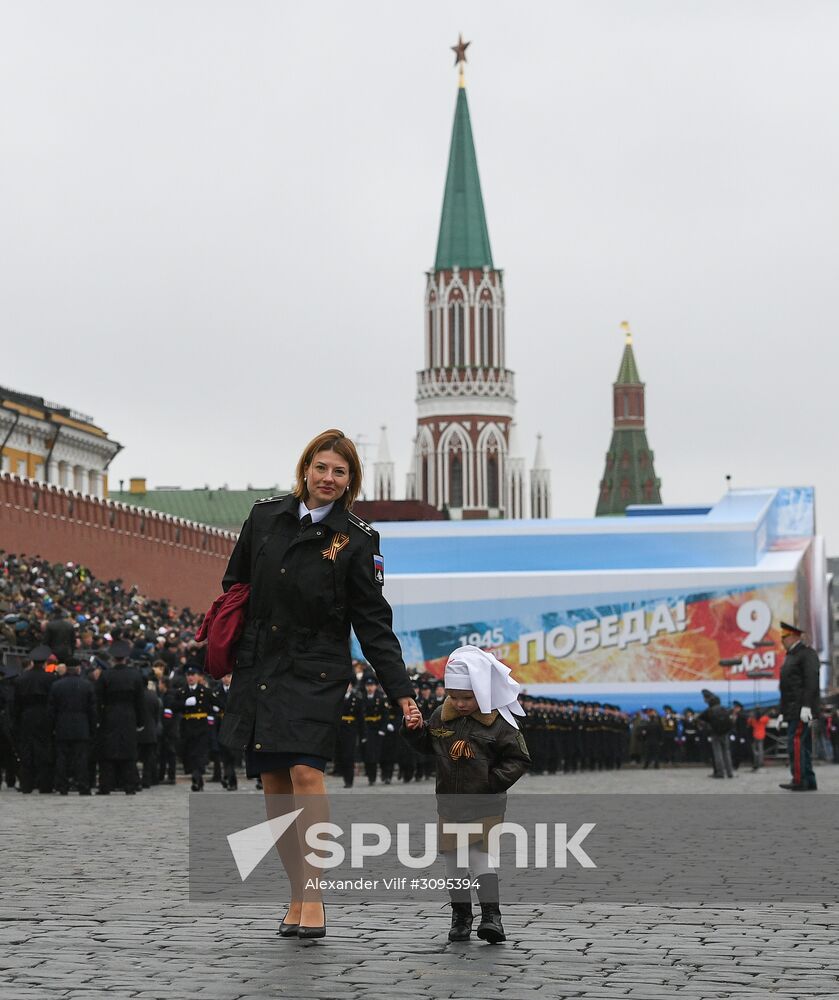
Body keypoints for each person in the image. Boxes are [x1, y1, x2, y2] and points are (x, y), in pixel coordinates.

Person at [218, 429, 420, 938]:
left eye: (340, 472)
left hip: (316, 669)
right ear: (305, 469)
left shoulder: (357, 539)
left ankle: (314, 897)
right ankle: (295, 891)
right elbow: (235, 582)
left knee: (306, 772)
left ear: (351, 480)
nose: (329, 478)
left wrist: (402, 693)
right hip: (262, 667)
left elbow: (373, 623)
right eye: (322, 468)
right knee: (273, 782)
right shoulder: (265, 517)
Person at [401, 646, 531, 945]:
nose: (459, 704)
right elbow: (426, 747)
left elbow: (519, 759)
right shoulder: (440, 716)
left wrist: (490, 782)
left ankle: (491, 917)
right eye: (454, 696)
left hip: (486, 803)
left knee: (479, 857)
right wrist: (414, 729)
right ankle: (460, 917)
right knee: (453, 863)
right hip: (450, 804)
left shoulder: (500, 722)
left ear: (482, 691)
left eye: (467, 698)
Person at [95, 639, 145, 795]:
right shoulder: (135, 675)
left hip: (110, 715)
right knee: (129, 751)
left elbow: (98, 699)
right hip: (129, 715)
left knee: (108, 751)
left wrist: (99, 718)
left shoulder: (105, 675)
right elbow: (140, 701)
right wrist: (140, 721)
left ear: (112, 658)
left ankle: (105, 785)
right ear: (126, 658)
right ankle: (130, 785)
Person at [777, 621, 820, 791]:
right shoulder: (792, 655)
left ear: (794, 636)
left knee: (795, 744)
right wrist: (782, 712)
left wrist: (807, 706)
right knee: (803, 745)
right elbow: (786, 687)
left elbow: (811, 681)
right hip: (793, 709)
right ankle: (808, 780)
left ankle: (799, 779)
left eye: (784, 637)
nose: (782, 640)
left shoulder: (806, 653)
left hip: (800, 708)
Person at [47, 658, 97, 795]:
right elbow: (92, 710)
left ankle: (62, 786)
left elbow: (51, 710)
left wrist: (51, 727)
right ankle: (83, 785)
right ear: (78, 669)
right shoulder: (87, 685)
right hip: (82, 726)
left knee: (62, 758)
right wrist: (93, 728)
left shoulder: (56, 685)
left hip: (62, 725)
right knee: (81, 758)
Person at [13, 645, 56, 793]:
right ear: (44, 662)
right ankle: (44, 784)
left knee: (26, 751)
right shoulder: (50, 678)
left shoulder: (21, 679)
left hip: (26, 716)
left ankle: (26, 784)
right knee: (43, 750)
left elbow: (16, 703)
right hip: (44, 716)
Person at [698, 689, 734, 779]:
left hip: (715, 733)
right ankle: (730, 772)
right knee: (727, 752)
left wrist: (707, 726)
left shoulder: (709, 710)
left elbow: (700, 718)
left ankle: (720, 772)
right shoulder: (723, 708)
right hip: (725, 733)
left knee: (718, 753)